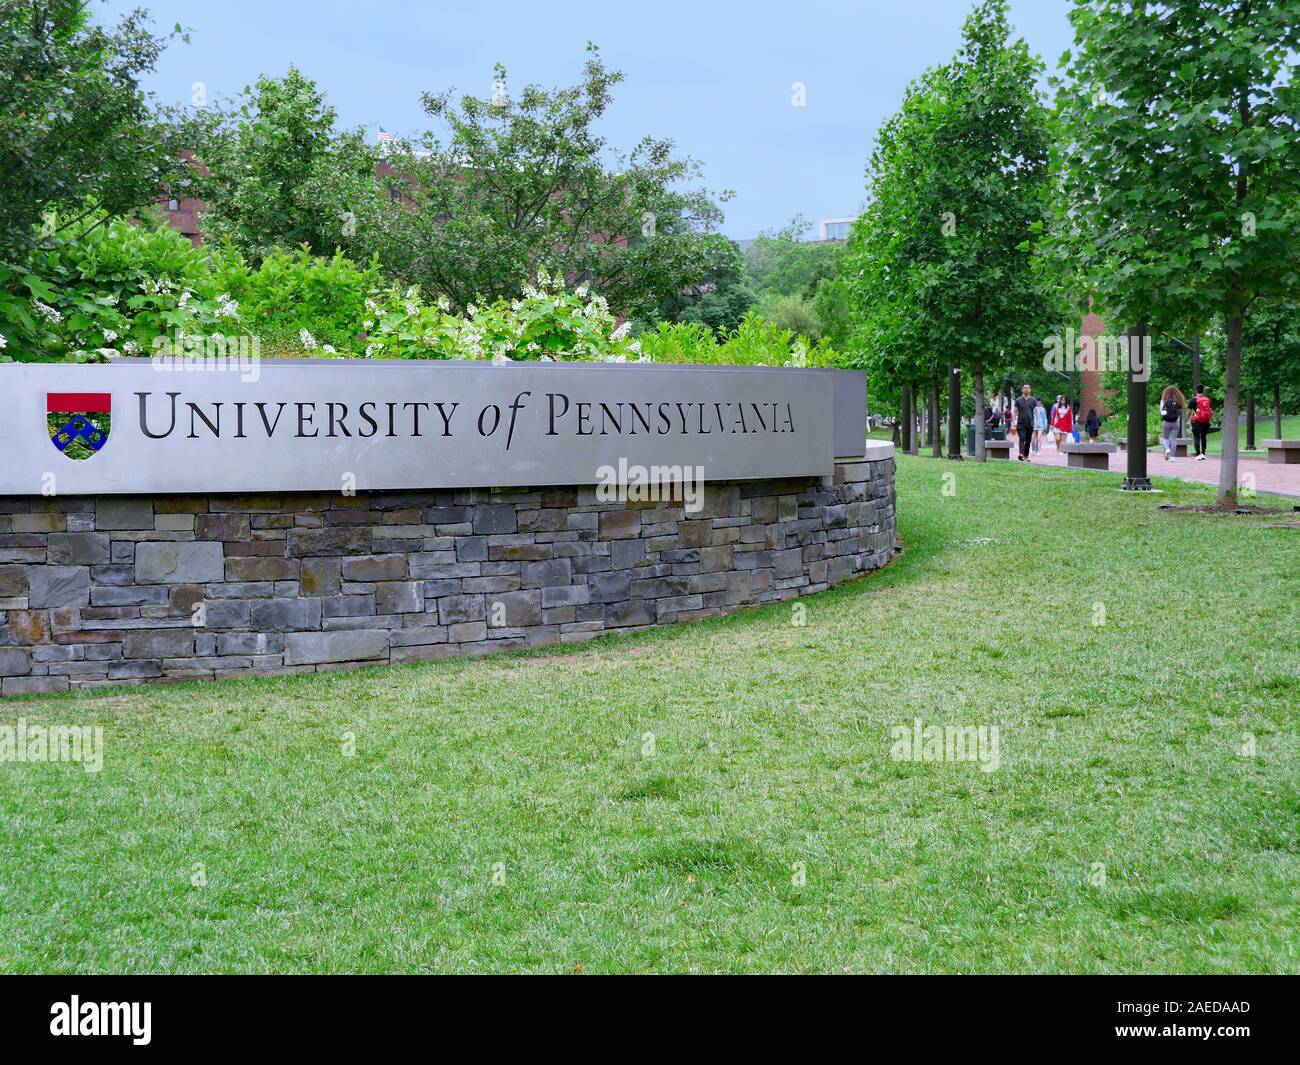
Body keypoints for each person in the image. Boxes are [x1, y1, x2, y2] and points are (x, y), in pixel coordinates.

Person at [1159, 385, 1186, 461]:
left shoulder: (1163, 400)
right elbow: (1180, 411)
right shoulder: (1178, 401)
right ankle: (1173, 457)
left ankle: (1167, 449)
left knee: (1165, 438)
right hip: (1176, 422)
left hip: (1166, 422)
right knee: (1173, 439)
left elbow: (1161, 412)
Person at [1013, 383, 1037, 461]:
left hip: (1030, 423)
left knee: (1028, 440)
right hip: (1020, 422)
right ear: (1022, 390)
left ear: (1030, 390)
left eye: (1028, 388)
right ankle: (1021, 454)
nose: (1026, 389)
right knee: (1022, 437)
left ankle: (1026, 456)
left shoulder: (1033, 400)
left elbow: (1036, 412)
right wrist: (1013, 423)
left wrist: (1038, 422)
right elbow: (1015, 412)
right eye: (1025, 388)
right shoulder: (1018, 400)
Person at [1189, 385, 1213, 460]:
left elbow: (1189, 412)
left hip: (1196, 421)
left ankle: (1198, 454)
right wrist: (1210, 420)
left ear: (1196, 391)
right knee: (1203, 437)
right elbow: (1210, 411)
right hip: (1206, 421)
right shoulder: (1208, 399)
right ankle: (1203, 453)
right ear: (1203, 391)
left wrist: (1189, 419)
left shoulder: (1193, 400)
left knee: (1196, 437)